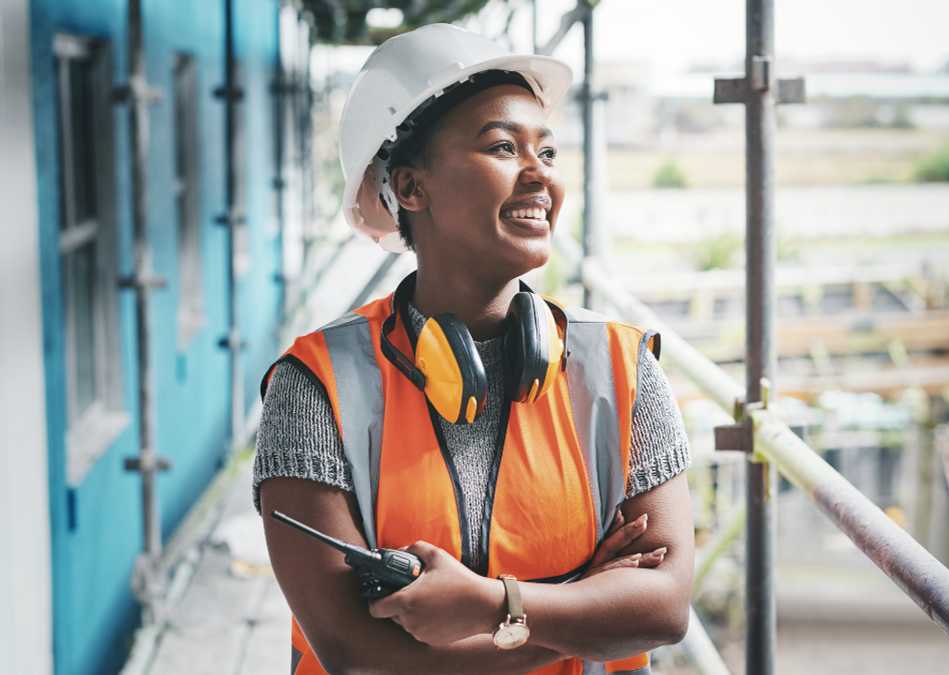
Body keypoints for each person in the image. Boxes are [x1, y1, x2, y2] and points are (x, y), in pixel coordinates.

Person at [254, 23, 694, 675]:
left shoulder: (622, 370)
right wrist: (585, 604)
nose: (539, 174)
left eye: (545, 151)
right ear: (411, 188)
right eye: (501, 146)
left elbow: (663, 610)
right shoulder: (314, 387)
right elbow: (356, 656)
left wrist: (491, 604)